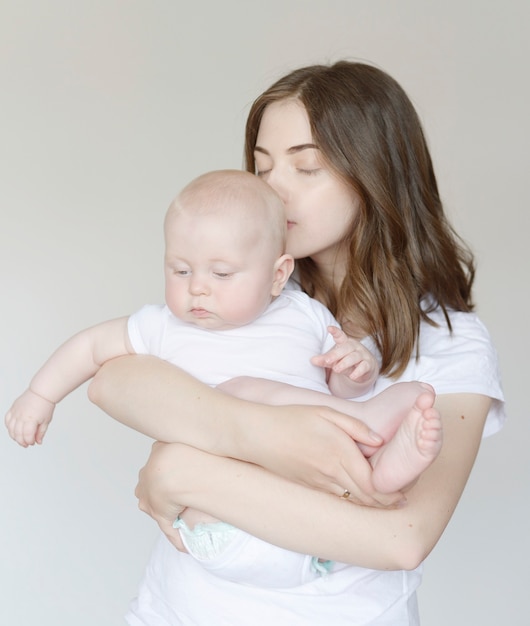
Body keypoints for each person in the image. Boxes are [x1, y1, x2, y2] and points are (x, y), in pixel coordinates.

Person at [86, 61, 505, 625]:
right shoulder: (251, 296)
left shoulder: (450, 342)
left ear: (376, 175)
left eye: (306, 167)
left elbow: (401, 539)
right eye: (262, 168)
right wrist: (265, 433)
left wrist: (184, 472)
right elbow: (115, 378)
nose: (275, 190)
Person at [5, 168, 441, 579]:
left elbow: (336, 386)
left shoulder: (305, 315)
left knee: (302, 411)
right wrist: (40, 395)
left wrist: (355, 373)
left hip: (311, 522)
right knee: (243, 391)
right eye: (180, 270)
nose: (197, 287)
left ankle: (379, 471)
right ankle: (369, 431)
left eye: (221, 273)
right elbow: (92, 347)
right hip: (216, 526)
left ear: (278, 275)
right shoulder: (164, 326)